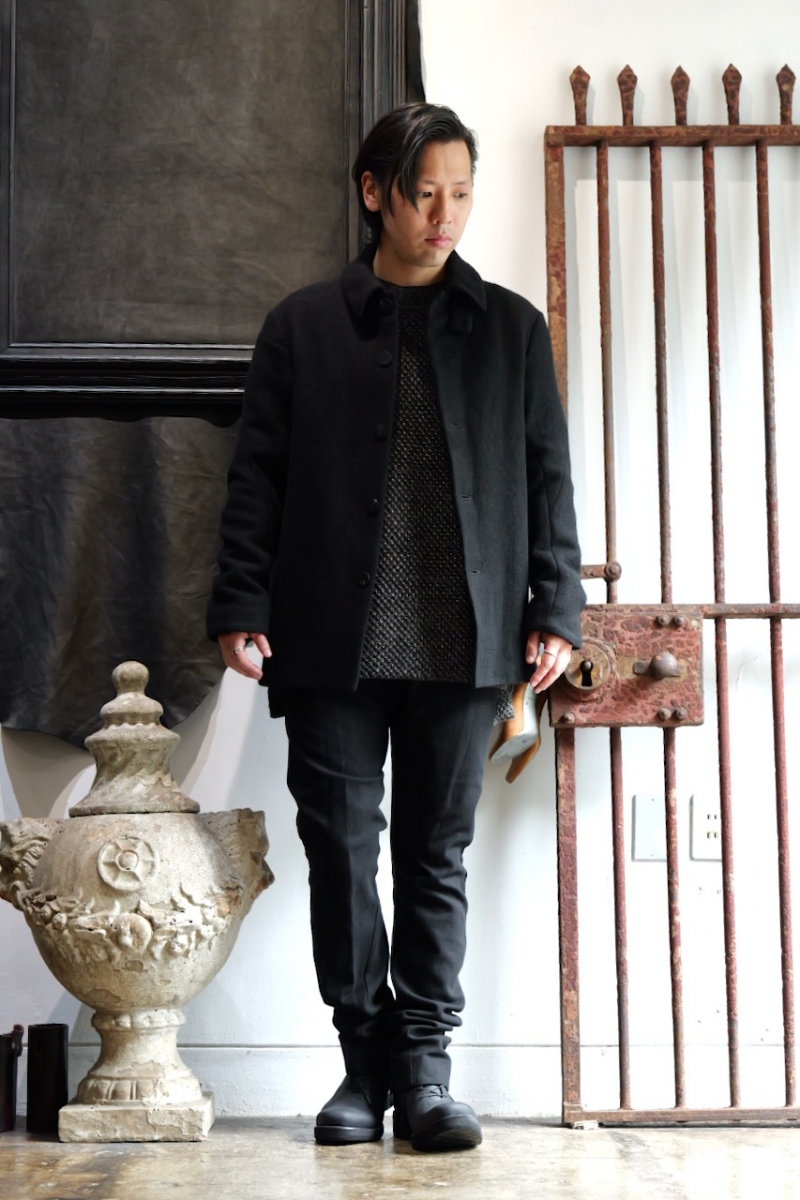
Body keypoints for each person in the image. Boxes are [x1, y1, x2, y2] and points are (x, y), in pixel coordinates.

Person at [207, 102, 585, 1152]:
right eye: (424, 194)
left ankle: (424, 1072)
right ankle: (361, 1065)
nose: (443, 215)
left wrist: (554, 607)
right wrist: (240, 602)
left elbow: (548, 481)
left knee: (435, 853)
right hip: (330, 632)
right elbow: (256, 479)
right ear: (375, 192)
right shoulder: (300, 327)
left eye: (460, 194)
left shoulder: (510, 329)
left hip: (466, 634)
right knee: (338, 848)